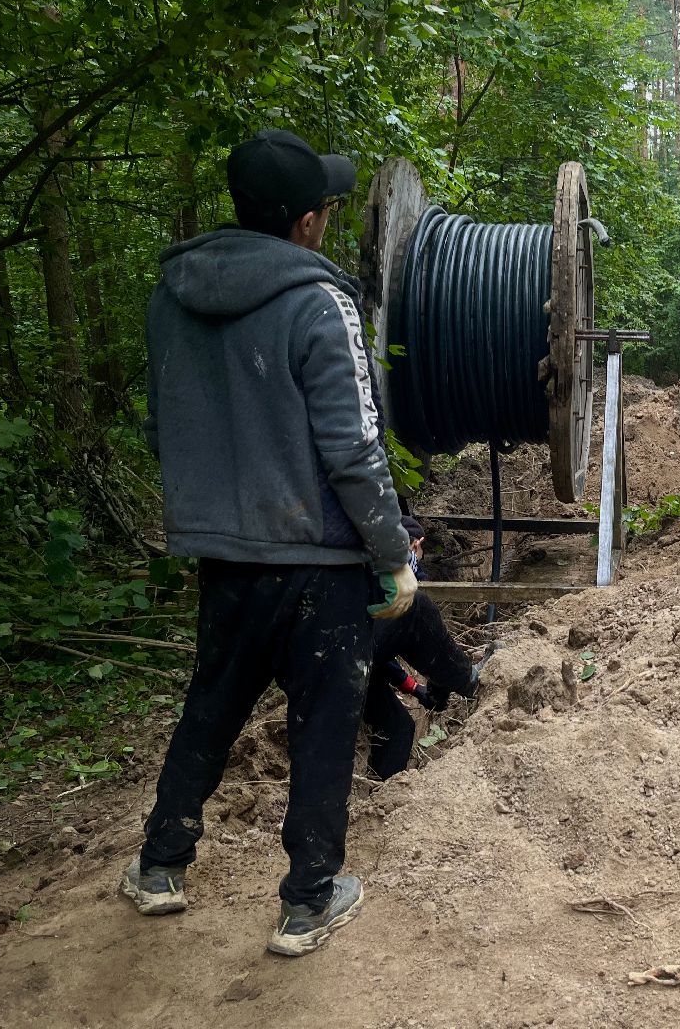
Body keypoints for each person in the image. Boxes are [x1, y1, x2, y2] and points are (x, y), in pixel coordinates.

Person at [122, 129, 418, 958]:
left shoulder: (170, 296)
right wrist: (392, 553)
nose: (326, 217)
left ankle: (160, 866)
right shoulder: (319, 303)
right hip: (320, 560)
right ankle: (307, 901)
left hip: (225, 557)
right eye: (322, 206)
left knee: (210, 706)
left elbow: (162, 424)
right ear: (305, 223)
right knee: (323, 724)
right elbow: (355, 446)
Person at [362, 515, 480, 780]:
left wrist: (414, 688)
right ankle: (466, 679)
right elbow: (383, 639)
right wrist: (440, 681)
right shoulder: (381, 569)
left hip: (341, 662)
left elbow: (374, 649)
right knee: (415, 606)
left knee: (400, 727)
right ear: (417, 544)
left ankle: (381, 798)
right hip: (345, 659)